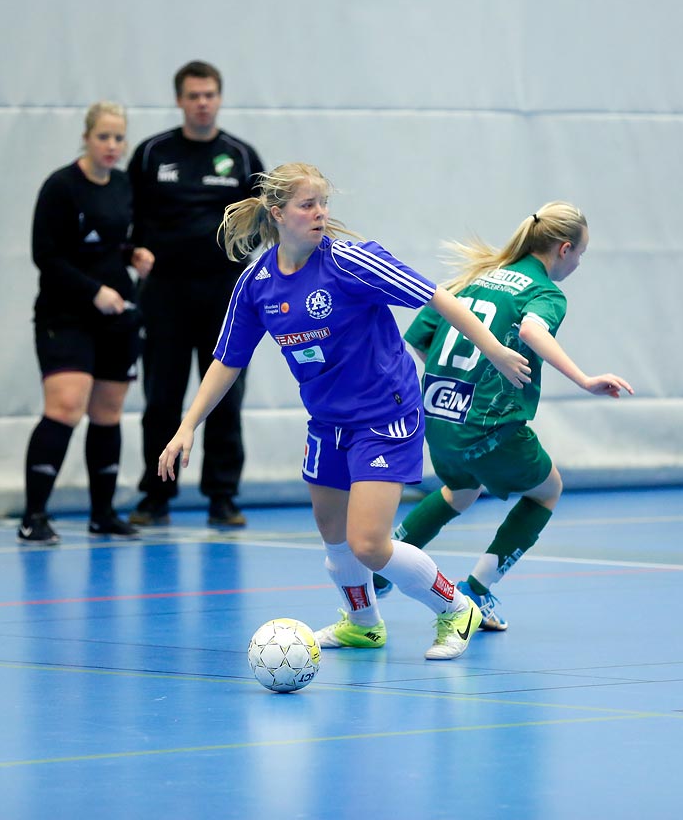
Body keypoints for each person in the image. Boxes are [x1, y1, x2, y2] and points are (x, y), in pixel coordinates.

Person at [157, 163, 533, 661]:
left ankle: (455, 607)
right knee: (333, 532)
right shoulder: (257, 284)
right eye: (307, 205)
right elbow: (228, 358)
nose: (320, 214)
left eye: (323, 204)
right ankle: (362, 624)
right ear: (277, 213)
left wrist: (494, 351)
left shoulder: (353, 261)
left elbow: (439, 297)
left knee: (369, 543)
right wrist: (187, 427)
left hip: (386, 415)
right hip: (327, 423)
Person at [372, 201, 633, 630]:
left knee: (461, 489)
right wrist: (585, 379)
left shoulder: (473, 277)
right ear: (563, 249)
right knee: (547, 491)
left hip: (438, 418)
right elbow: (532, 330)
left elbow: (419, 340)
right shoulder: (545, 292)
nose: (579, 263)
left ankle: (383, 569)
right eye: (581, 254)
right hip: (489, 426)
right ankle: (477, 589)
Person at [127, 61, 264, 528]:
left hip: (226, 295)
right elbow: (126, 216)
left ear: (219, 98)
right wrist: (133, 252)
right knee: (162, 398)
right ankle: (156, 496)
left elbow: (266, 221)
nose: (202, 102)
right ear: (180, 100)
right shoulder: (151, 154)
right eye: (193, 95)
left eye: (209, 94)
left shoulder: (242, 157)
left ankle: (222, 496)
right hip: (164, 294)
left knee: (225, 396)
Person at [17, 102, 155, 545]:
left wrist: (135, 255)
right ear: (86, 137)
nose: (112, 146)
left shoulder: (124, 185)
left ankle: (103, 513)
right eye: (103, 137)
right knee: (65, 406)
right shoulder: (60, 187)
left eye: (119, 138)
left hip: (118, 316)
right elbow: (46, 255)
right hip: (67, 315)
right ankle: (33, 515)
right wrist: (93, 291)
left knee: (108, 412)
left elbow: (122, 239)